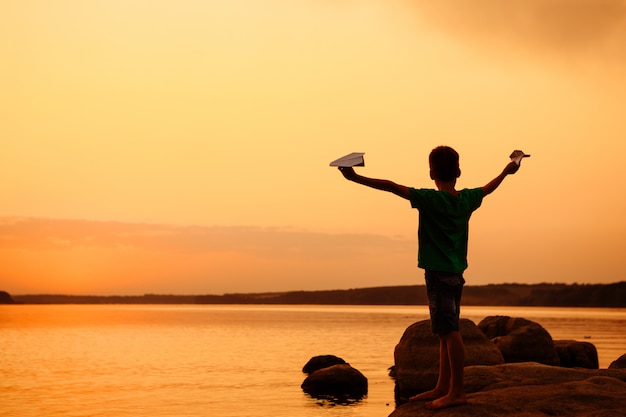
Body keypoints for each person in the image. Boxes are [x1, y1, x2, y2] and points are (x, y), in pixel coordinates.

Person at [338, 146, 521, 410]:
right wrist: (508, 169)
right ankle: (443, 385)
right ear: (458, 172)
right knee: (444, 333)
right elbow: (489, 188)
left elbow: (391, 186)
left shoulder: (430, 199)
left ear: (431, 173)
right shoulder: (466, 199)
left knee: (451, 332)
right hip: (456, 274)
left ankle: (457, 391)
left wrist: (355, 178)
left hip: (438, 275)